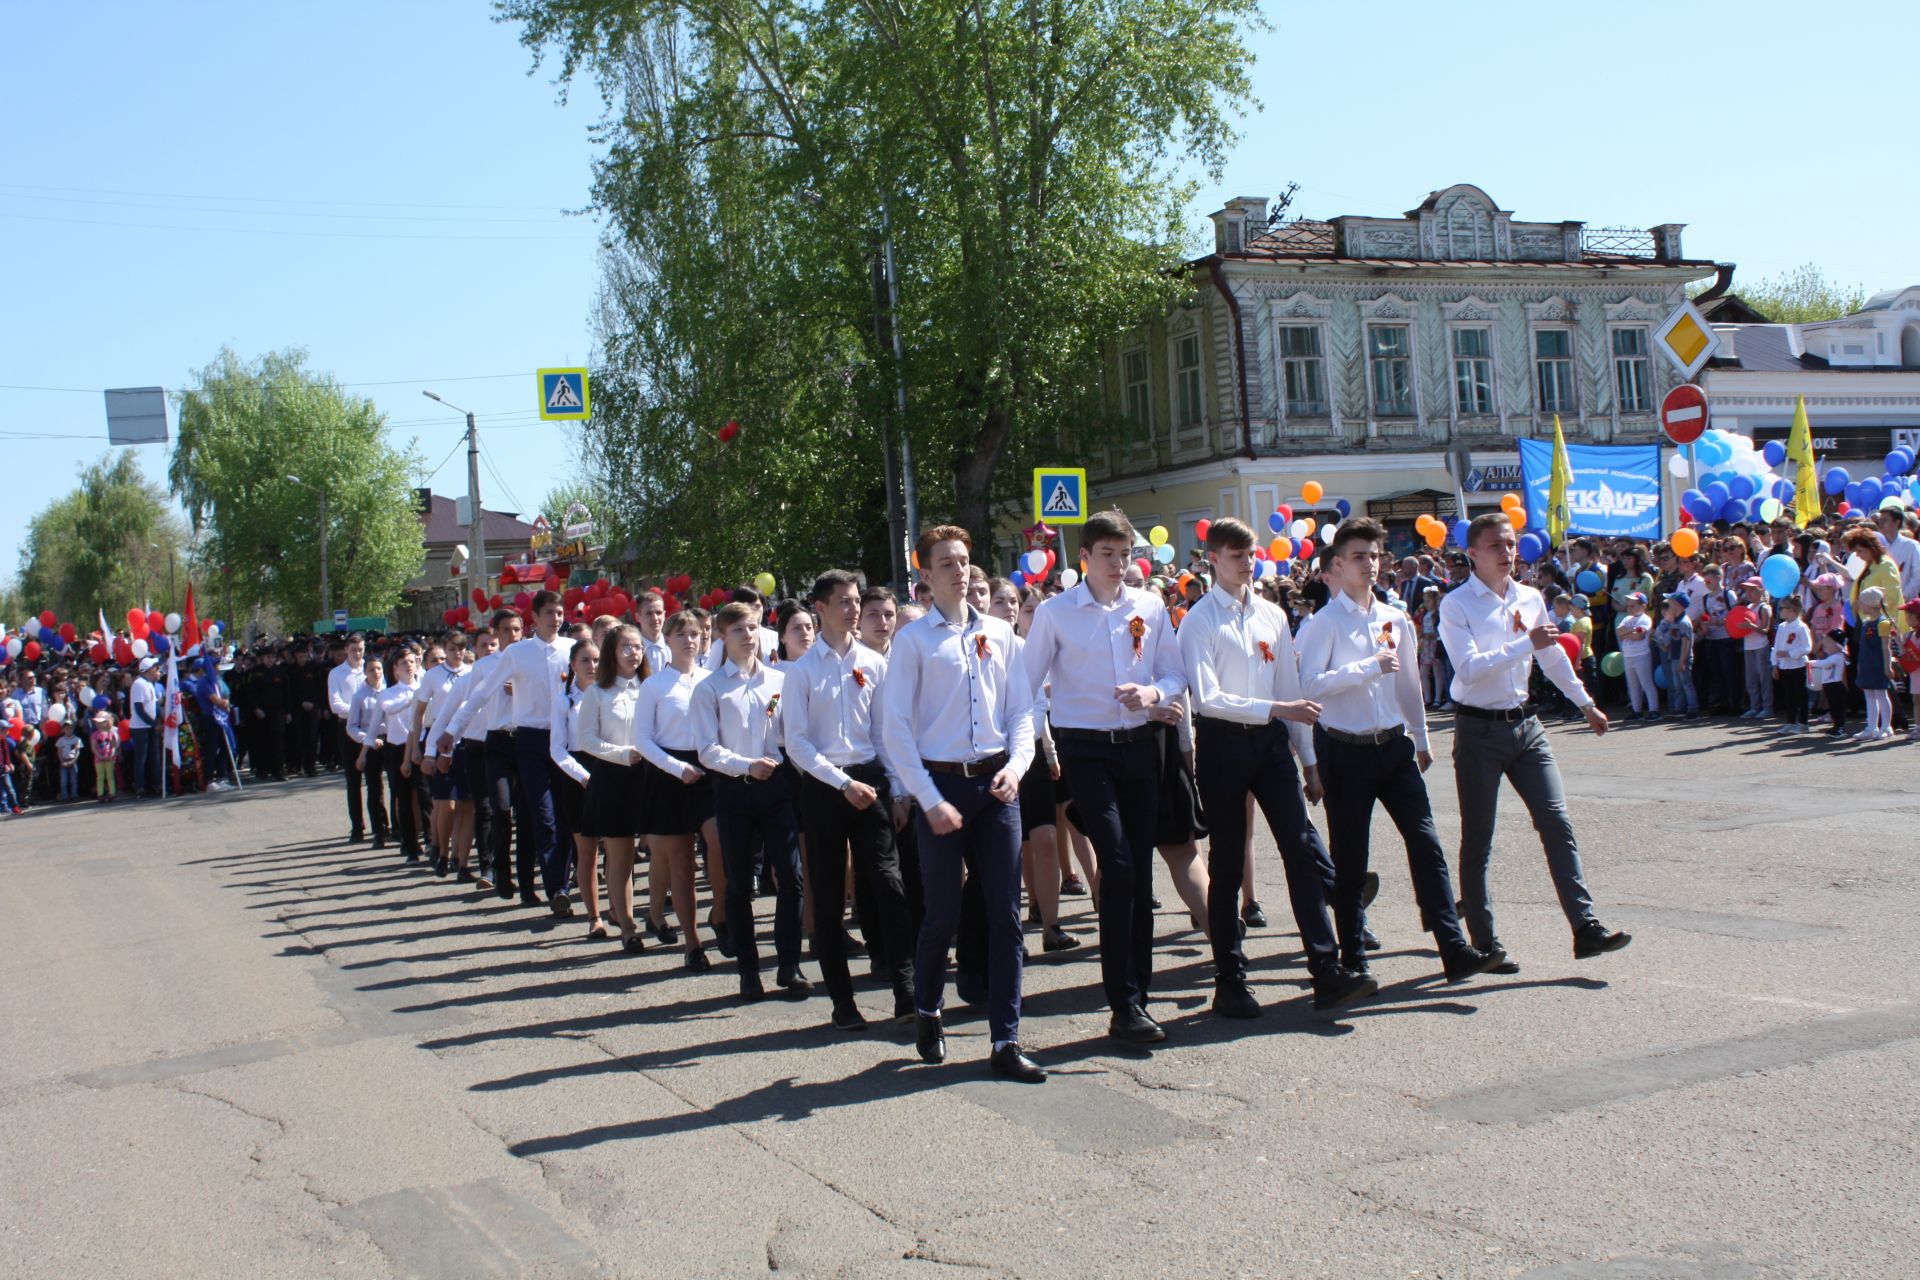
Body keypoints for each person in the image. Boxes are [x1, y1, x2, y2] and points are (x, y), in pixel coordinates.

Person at [1176, 517, 1372, 1017]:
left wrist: (1308, 760)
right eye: (1236, 556)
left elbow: (1291, 687)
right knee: (1226, 863)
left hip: (1270, 743)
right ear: (1213, 560)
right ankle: (1230, 978)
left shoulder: (1271, 615)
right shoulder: (1199, 620)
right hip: (1222, 746)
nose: (1247, 563)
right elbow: (1211, 700)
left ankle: (1325, 970)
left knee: (1301, 851)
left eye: (1251, 554)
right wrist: (1278, 712)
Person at [1296, 517, 1504, 984]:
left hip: (1393, 747)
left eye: (1374, 556)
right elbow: (1308, 686)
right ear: (1336, 565)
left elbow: (1409, 682)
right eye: (1357, 557)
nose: (1368, 565)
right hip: (1345, 751)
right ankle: (1354, 959)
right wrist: (1366, 668)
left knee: (1427, 845)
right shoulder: (1323, 624)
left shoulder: (1392, 617)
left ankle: (1453, 948)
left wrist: (1421, 736)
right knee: (1350, 860)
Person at [879, 524, 1042, 1082]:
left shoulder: (1001, 633)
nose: (958, 572)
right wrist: (927, 798)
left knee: (1005, 915)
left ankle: (1006, 1039)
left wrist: (1018, 768)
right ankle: (928, 1010)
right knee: (942, 915)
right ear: (924, 574)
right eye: (945, 563)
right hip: (942, 788)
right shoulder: (914, 641)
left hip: (997, 784)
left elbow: (1021, 711)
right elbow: (895, 727)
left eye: (964, 561)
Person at [1019, 510, 1186, 1044]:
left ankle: (1136, 993)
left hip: (1141, 746)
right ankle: (1124, 1001)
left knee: (1139, 871)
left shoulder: (1150, 605)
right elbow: (1027, 685)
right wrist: (1027, 750)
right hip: (1084, 749)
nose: (1119, 564)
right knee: (1115, 864)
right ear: (1085, 558)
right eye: (1108, 554)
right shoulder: (1056, 613)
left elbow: (1174, 671)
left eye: (1126, 554)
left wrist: (1154, 695)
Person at [1437, 511, 1630, 966]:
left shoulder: (1529, 597)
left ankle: (1585, 927)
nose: (1507, 554)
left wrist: (1584, 703)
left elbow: (1552, 657)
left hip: (1526, 726)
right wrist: (1526, 644)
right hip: (1478, 727)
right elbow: (1468, 668)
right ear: (1474, 553)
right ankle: (1484, 942)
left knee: (1556, 822)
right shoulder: (1457, 604)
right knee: (1479, 836)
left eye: (1511, 544)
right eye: (1496, 547)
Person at [784, 569, 919, 1030]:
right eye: (843, 601)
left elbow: (884, 733)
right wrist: (841, 783)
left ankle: (906, 991)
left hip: (871, 779)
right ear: (820, 608)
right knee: (826, 892)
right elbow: (797, 744)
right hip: (825, 785)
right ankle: (843, 1002)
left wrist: (897, 790)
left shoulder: (874, 663)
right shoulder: (801, 672)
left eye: (856, 599)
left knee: (887, 882)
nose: (853, 608)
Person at [694, 601, 811, 1002]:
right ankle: (748, 970)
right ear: (723, 638)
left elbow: (791, 732)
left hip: (777, 787)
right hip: (734, 790)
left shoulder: (778, 680)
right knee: (740, 883)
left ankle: (789, 964)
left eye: (753, 628)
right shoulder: (709, 687)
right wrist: (746, 764)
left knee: (791, 878)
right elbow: (707, 750)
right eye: (738, 630)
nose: (748, 636)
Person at [442, 590, 576, 915]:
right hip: (527, 741)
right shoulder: (518, 654)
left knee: (566, 816)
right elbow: (482, 694)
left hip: (567, 739)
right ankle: (554, 885)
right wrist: (451, 731)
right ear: (535, 617)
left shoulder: (572, 650)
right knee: (539, 815)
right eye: (549, 613)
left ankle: (559, 882)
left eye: (559, 612)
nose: (555, 619)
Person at [636, 609, 725, 958]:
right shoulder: (654, 684)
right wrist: (675, 768)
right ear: (668, 640)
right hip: (669, 774)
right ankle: (692, 941)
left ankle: (720, 913)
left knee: (719, 841)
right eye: (681, 635)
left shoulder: (710, 679)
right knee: (682, 863)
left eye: (695, 634)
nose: (690, 641)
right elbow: (643, 739)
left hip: (707, 768)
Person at [328, 635, 370, 840]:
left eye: (360, 649)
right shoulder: (336, 674)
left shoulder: (370, 670)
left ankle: (380, 825)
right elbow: (335, 704)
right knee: (353, 779)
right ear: (347, 650)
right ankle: (357, 826)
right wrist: (357, 710)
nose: (357, 653)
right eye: (353, 649)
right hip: (347, 727)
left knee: (374, 779)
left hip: (370, 726)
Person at [1852, 587, 1898, 742]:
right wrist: (1860, 664)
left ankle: (1886, 726)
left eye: (1862, 603)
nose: (1860, 606)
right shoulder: (1866, 623)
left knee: (1881, 694)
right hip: (1867, 663)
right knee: (1869, 695)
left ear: (1870, 604)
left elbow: (1886, 647)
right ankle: (1871, 727)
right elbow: (1864, 646)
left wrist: (1887, 666)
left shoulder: (1882, 623)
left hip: (1878, 663)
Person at [1770, 595, 1811, 733]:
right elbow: (1776, 646)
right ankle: (1790, 721)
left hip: (1798, 665)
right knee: (1789, 694)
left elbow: (1807, 647)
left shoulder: (1801, 627)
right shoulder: (1782, 627)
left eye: (1782, 608)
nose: (1779, 611)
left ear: (1792, 610)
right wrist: (1775, 664)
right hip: (1785, 666)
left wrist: (1790, 654)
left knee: (1800, 694)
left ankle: (1803, 722)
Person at [1735, 578, 1774, 721]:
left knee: (1764, 678)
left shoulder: (1764, 607)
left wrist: (1751, 626)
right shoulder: (1749, 607)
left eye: (1752, 590)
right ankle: (1754, 707)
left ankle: (1767, 707)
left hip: (1761, 646)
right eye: (1747, 590)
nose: (1749, 593)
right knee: (1750, 679)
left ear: (1761, 590)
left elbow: (1765, 630)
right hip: (1748, 646)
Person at [1654, 598, 1698, 719]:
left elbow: (1685, 644)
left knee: (1687, 684)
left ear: (1679, 605)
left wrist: (1683, 661)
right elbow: (1673, 638)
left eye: (1671, 603)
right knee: (1677, 685)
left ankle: (1692, 709)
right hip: (1674, 656)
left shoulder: (1683, 622)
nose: (1669, 605)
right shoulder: (1675, 621)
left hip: (1682, 657)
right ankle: (1679, 708)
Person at [1616, 593, 1657, 720]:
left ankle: (1654, 710)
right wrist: (1632, 630)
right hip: (1628, 655)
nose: (1630, 609)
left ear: (1643, 606)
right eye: (1629, 606)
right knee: (1633, 685)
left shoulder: (1645, 619)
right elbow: (1619, 632)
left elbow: (1639, 636)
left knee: (1646, 683)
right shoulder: (1626, 619)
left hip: (1641, 654)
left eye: (1633, 606)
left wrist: (1627, 633)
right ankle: (1636, 710)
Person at [128, 656, 162, 798]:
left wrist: (159, 720)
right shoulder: (139, 684)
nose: (158, 670)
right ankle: (140, 787)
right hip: (140, 727)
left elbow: (154, 706)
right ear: (149, 669)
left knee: (154, 757)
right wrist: (154, 724)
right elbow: (139, 709)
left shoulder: (149, 684)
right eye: (156, 667)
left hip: (150, 726)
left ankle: (156, 784)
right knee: (141, 758)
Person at [1809, 630, 1850, 737]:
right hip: (1830, 686)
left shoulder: (1837, 657)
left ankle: (1840, 728)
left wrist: (1810, 663)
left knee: (1837, 708)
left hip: (1836, 686)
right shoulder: (1832, 656)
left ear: (1837, 645)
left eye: (1828, 642)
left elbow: (1823, 664)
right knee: (1833, 707)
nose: (1824, 644)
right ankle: (1836, 726)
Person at [88, 711, 119, 803]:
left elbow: (113, 746)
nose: (98, 724)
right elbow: (93, 747)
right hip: (99, 759)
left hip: (110, 758)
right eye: (97, 722)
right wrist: (100, 755)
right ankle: (100, 794)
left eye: (100, 722)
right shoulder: (94, 735)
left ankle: (112, 793)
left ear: (106, 722)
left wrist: (111, 754)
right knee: (100, 776)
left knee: (110, 776)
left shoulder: (111, 734)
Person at [56, 720, 83, 802]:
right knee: (63, 780)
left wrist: (73, 761)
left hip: (72, 761)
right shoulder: (61, 740)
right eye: (67, 728)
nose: (69, 730)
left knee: (73, 780)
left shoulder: (77, 739)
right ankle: (64, 797)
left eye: (70, 728)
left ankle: (74, 795)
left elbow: (77, 751)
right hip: (64, 761)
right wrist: (62, 761)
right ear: (63, 730)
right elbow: (59, 751)